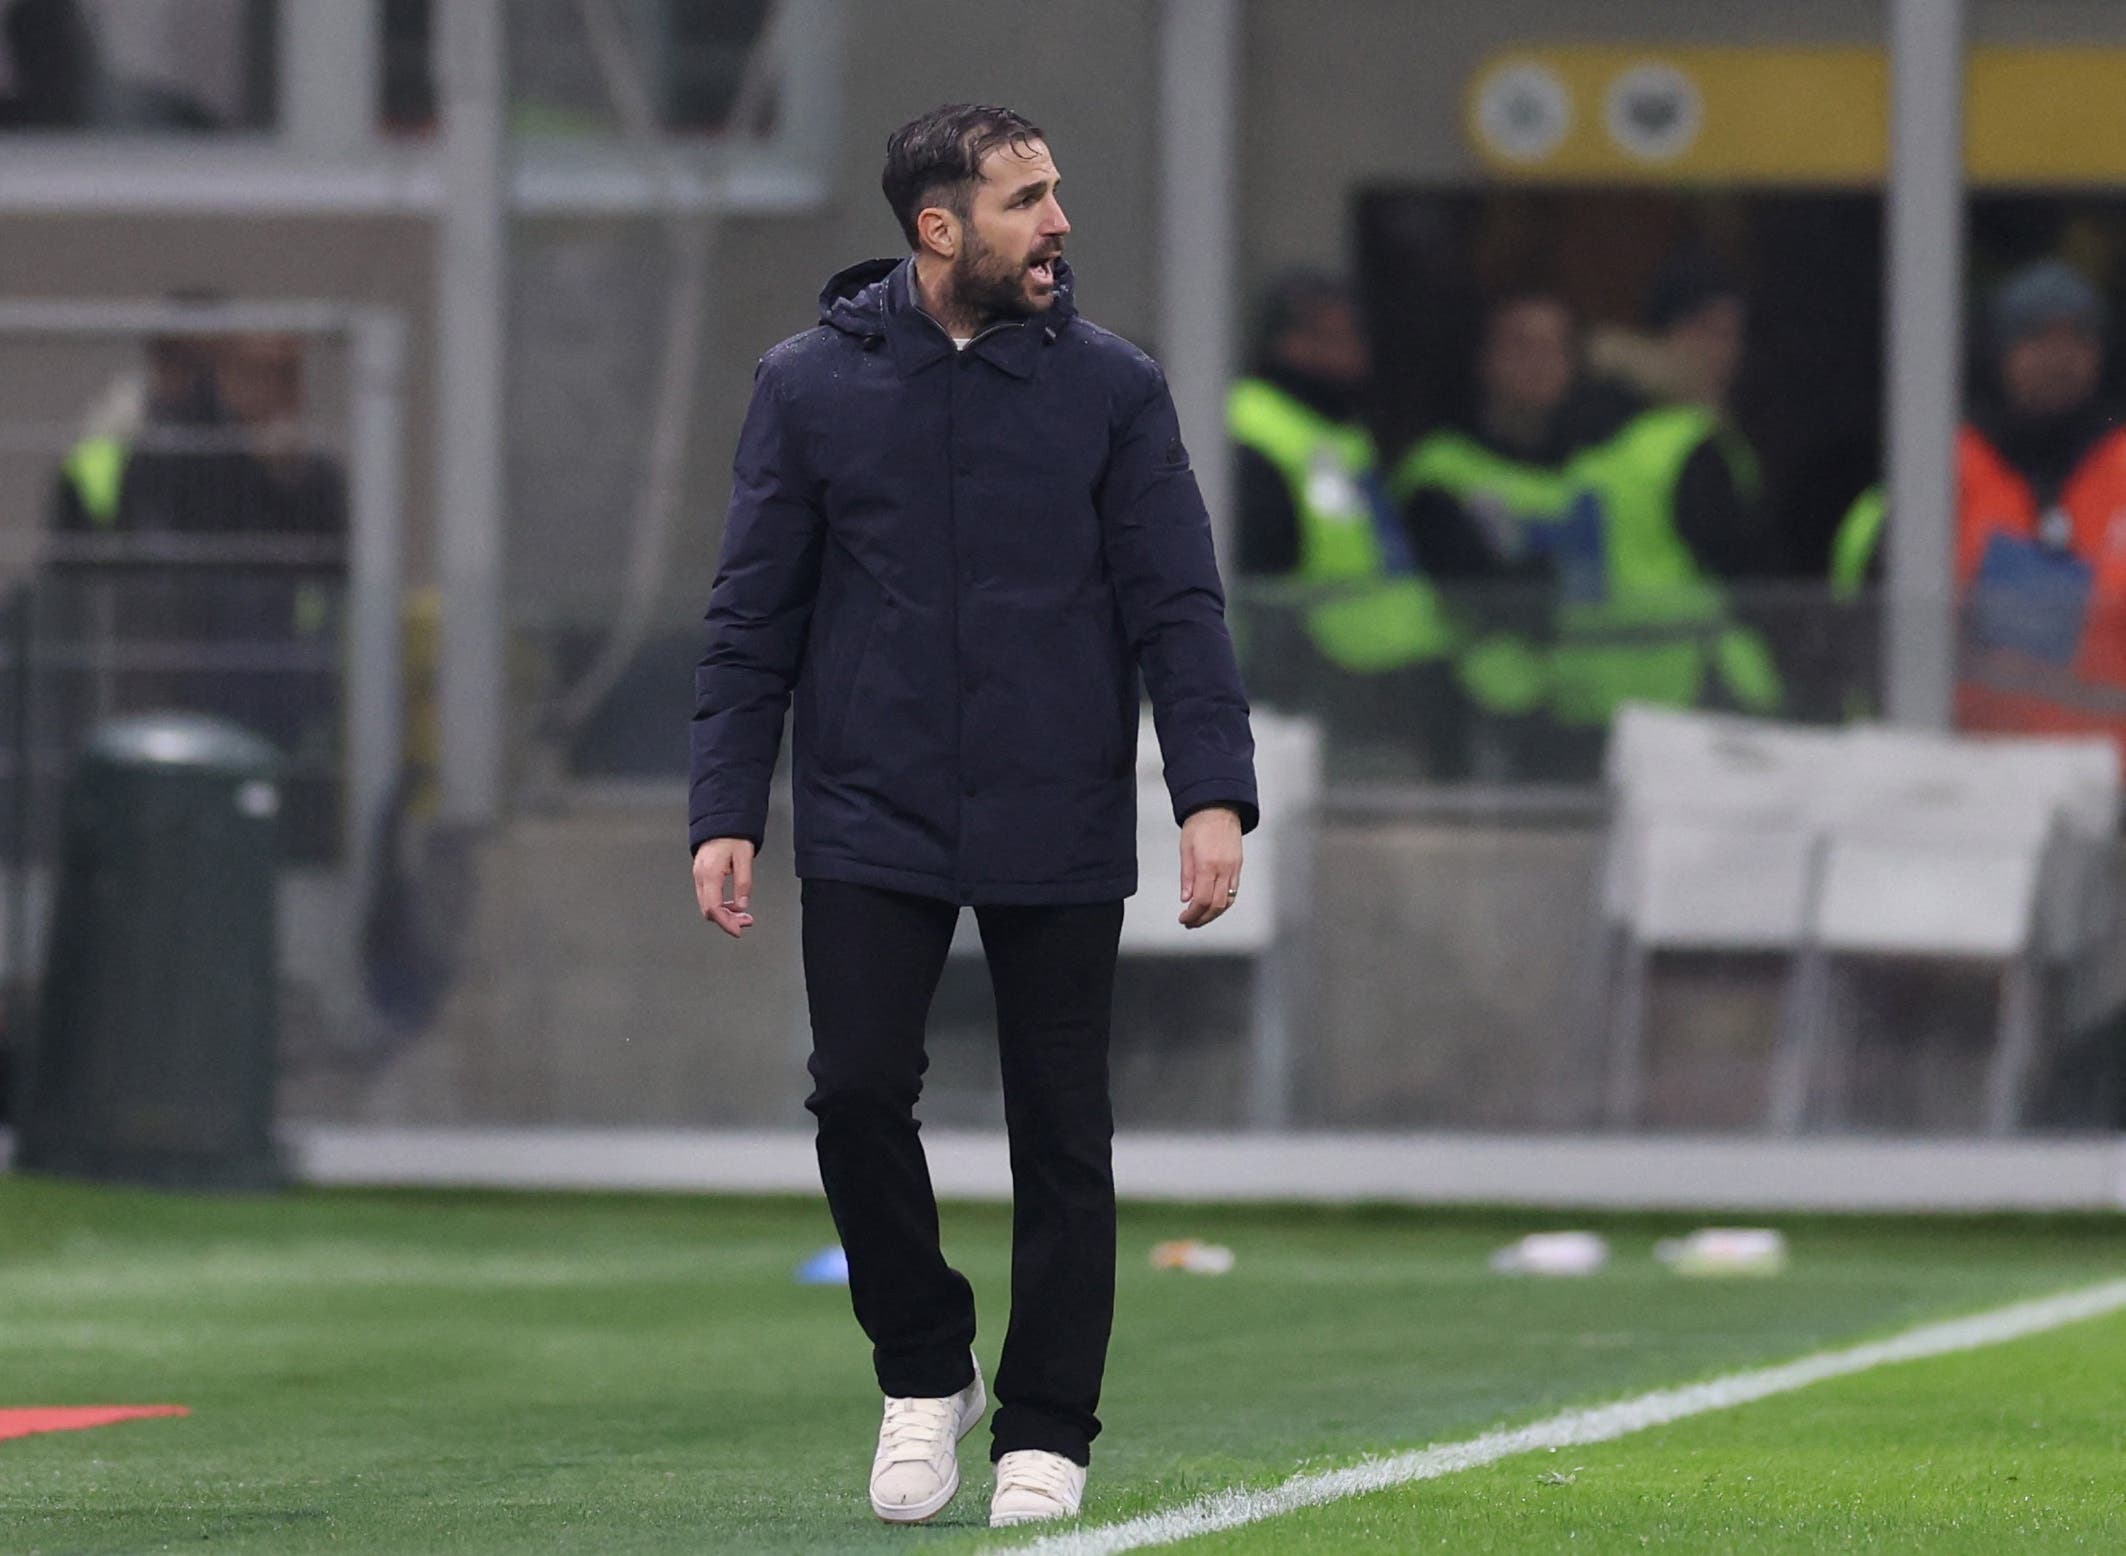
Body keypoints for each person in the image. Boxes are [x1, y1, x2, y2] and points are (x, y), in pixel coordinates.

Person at [688, 104, 1257, 1529]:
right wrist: (723, 807)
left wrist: (1211, 795)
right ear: (938, 228)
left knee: (1060, 1126)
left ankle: (1047, 1429)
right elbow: (751, 616)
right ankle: (922, 1368)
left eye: (1054, 193)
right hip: (868, 809)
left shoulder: (1113, 391)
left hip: (1056, 806)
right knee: (856, 1092)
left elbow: (1175, 604)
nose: (1058, 222)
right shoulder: (808, 386)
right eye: (1025, 201)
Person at [1226, 272, 1467, 772]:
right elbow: (1262, 565)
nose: (1358, 356)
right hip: (1317, 676)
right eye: (1340, 338)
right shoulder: (1258, 425)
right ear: (1290, 342)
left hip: (1382, 673)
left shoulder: (1333, 424)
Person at [1548, 251, 1786, 734]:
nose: (1725, 351)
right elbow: (1746, 571)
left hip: (1589, 692)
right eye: (1709, 331)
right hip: (1687, 692)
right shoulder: (1688, 445)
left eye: (1732, 335)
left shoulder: (1586, 433)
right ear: (1666, 336)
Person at [1390, 291, 1585, 773]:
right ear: (1486, 361)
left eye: (1553, 350)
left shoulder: (1598, 467)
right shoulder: (1442, 470)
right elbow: (1471, 586)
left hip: (1585, 705)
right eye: (1520, 348)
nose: (1537, 365)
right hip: (1472, 711)